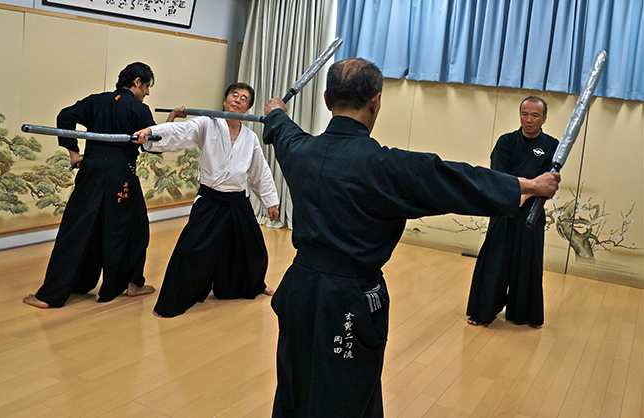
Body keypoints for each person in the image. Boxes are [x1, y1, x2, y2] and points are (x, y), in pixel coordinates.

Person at [262, 58, 560, 417]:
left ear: (326, 100)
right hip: (349, 298)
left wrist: (276, 111)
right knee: (347, 393)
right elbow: (454, 180)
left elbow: (281, 129)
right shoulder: (388, 167)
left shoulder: (300, 151)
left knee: (295, 385)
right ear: (376, 101)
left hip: (299, 291)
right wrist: (529, 185)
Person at [133, 82, 280, 318]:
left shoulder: (250, 138)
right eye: (234, 95)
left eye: (244, 99)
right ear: (224, 101)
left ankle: (253, 285)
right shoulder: (207, 124)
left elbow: (259, 172)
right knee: (190, 249)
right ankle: (175, 299)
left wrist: (270, 202)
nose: (238, 100)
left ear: (246, 108)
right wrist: (151, 132)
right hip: (210, 200)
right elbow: (180, 133)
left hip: (237, 201)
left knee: (253, 248)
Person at [23, 62, 158, 309]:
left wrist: (74, 152)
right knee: (132, 229)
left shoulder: (96, 101)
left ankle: (50, 295)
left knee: (77, 230)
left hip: (92, 171)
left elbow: (65, 115)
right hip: (122, 175)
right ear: (138, 82)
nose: (147, 93)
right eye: (147, 86)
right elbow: (153, 141)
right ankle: (130, 283)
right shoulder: (139, 109)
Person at [466, 96, 559, 328]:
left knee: (528, 263)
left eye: (535, 115)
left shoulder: (552, 145)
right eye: (525, 114)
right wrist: (520, 191)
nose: (529, 119)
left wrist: (525, 195)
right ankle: (483, 311)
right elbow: (498, 175)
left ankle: (523, 313)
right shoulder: (506, 141)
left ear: (544, 119)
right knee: (494, 260)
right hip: (503, 209)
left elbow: (549, 183)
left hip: (531, 214)